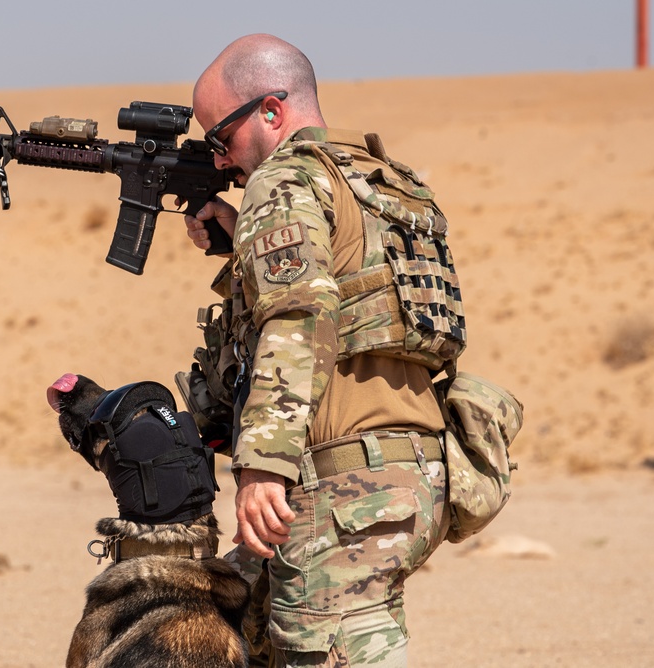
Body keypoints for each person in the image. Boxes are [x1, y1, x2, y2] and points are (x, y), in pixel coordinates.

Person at [180, 34, 466, 667]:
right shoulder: (383, 181)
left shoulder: (282, 182)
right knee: (243, 631)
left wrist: (263, 464)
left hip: (341, 484)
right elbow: (361, 297)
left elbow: (300, 313)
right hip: (415, 473)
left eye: (221, 140)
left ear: (272, 111)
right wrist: (244, 253)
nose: (221, 162)